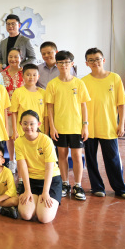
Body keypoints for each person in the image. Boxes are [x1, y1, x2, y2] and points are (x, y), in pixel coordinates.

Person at [82, 48, 125, 199]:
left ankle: (120, 188)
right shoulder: (83, 81)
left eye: (97, 59)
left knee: (113, 159)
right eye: (91, 60)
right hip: (89, 128)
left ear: (103, 60)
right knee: (91, 159)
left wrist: (121, 124)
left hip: (109, 127)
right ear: (86, 63)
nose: (95, 62)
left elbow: (121, 104)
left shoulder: (115, 78)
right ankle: (97, 187)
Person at [45, 50, 90, 201]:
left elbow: (83, 105)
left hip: (76, 127)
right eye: (60, 63)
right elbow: (49, 107)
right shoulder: (52, 84)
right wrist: (52, 127)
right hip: (60, 127)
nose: (64, 65)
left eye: (67, 62)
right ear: (56, 65)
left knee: (77, 156)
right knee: (62, 156)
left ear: (72, 64)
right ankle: (65, 183)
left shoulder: (79, 83)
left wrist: (85, 125)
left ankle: (78, 185)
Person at [16, 110, 62, 223]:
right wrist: (27, 190)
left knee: (44, 218)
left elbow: (49, 169)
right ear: (20, 124)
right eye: (25, 123)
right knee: (26, 214)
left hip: (50, 180)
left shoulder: (46, 140)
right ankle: (36, 202)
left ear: (39, 124)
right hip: (31, 180)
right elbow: (23, 168)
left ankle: (43, 202)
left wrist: (45, 192)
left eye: (32, 124)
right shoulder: (18, 142)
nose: (28, 127)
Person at [2, 48, 24, 174]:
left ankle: (22, 161)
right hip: (7, 111)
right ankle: (12, 161)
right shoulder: (2, 74)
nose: (13, 59)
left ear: (21, 58)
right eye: (10, 56)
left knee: (22, 137)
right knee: (10, 137)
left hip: (22, 112)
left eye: (16, 57)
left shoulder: (25, 73)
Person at [10, 64, 46, 139]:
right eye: (28, 75)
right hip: (22, 131)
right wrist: (15, 131)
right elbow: (14, 113)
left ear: (38, 76)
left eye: (34, 75)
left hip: (40, 131)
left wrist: (46, 131)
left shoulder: (43, 93)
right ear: (22, 76)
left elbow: (46, 115)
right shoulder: (18, 92)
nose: (31, 77)